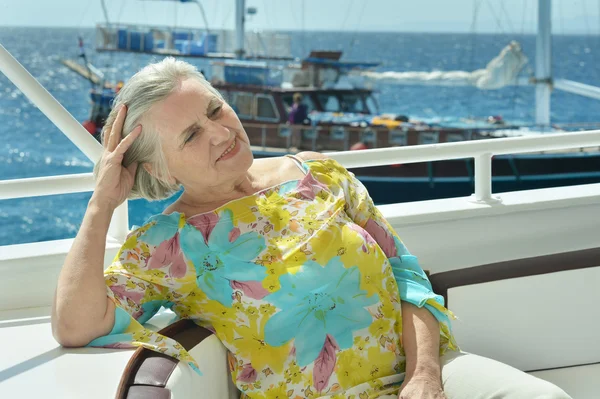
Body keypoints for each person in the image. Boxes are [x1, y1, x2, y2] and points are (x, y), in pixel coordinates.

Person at [51, 58, 571, 399]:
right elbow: (76, 325)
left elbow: (409, 278)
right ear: (161, 171)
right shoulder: (166, 246)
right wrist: (101, 203)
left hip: (426, 377)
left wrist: (425, 375)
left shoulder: (317, 174)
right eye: (191, 134)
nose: (220, 132)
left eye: (215, 109)